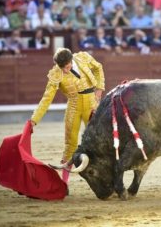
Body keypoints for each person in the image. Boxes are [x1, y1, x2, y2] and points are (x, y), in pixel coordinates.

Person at [30, 47, 105, 185]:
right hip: (74, 107)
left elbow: (98, 67)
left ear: (71, 60)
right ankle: (64, 183)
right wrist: (34, 120)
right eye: (62, 67)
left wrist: (100, 88)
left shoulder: (83, 57)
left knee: (98, 142)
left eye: (67, 66)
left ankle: (104, 178)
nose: (65, 70)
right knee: (70, 144)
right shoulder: (55, 73)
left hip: (92, 104)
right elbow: (47, 98)